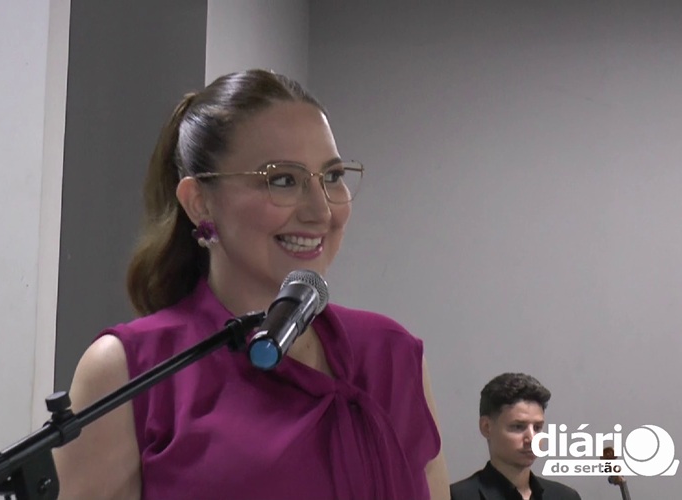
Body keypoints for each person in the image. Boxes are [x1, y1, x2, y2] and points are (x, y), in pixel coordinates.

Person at [53, 68, 450, 500]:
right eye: (283, 180)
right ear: (199, 202)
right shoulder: (128, 370)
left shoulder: (392, 353)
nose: (321, 211)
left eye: (333, 177)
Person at [450, 373, 581, 500]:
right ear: (486, 427)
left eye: (537, 428)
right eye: (518, 427)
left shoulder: (566, 497)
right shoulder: (455, 497)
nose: (532, 439)